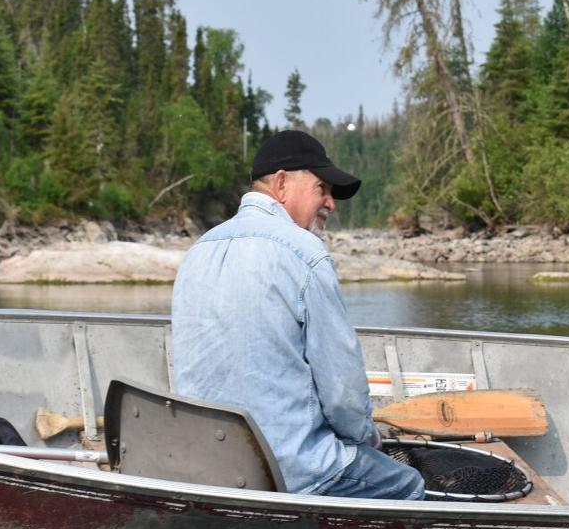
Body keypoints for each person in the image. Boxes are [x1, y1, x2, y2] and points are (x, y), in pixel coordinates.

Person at [171, 129, 424, 501]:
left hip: (208, 466)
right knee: (408, 484)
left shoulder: (197, 252)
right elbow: (342, 395)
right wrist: (367, 438)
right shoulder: (305, 253)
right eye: (322, 188)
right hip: (289, 469)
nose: (331, 203)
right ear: (282, 183)